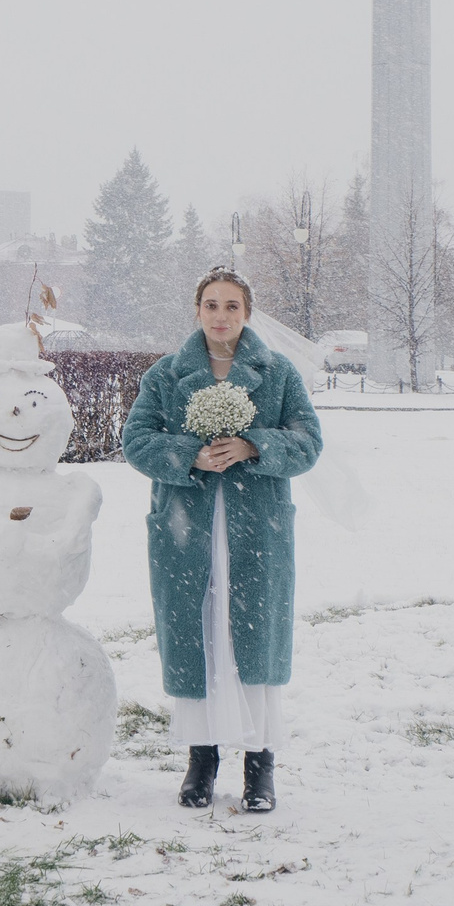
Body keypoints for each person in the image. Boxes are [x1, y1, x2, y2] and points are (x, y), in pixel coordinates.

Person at [122, 268, 323, 813]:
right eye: (211, 305)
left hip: (257, 529)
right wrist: (187, 454)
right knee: (201, 633)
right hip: (188, 528)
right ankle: (201, 758)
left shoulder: (277, 374)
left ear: (247, 313)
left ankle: (260, 766)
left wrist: (254, 446)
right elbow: (135, 439)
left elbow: (308, 441)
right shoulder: (166, 375)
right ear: (197, 311)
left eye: (231, 306)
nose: (220, 316)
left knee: (251, 637)